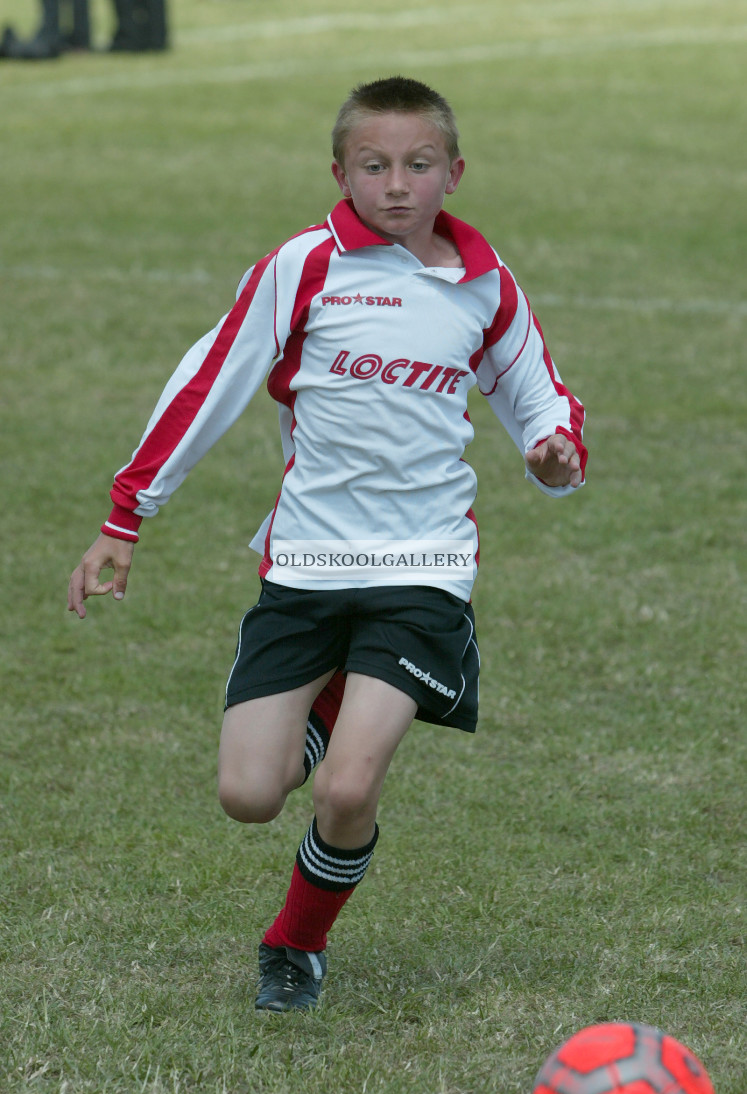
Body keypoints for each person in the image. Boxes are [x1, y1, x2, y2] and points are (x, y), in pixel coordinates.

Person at [67, 76, 587, 1013]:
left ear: (453, 173)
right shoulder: (302, 266)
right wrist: (125, 517)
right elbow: (210, 379)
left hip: (424, 571)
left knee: (345, 790)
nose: (397, 185)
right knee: (247, 794)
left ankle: (294, 947)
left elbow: (540, 397)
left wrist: (554, 452)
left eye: (418, 165)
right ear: (339, 172)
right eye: (375, 165)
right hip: (306, 567)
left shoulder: (483, 284)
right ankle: (338, 690)